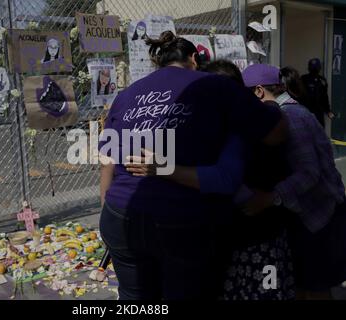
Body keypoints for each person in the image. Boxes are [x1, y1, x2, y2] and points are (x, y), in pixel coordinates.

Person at [98, 31, 287, 300]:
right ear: (195, 59)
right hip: (180, 220)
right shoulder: (216, 86)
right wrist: (272, 108)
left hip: (120, 215)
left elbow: (106, 159)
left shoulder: (127, 95)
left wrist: (109, 210)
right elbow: (276, 134)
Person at [242, 64, 346, 300]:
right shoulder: (291, 112)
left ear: (259, 91)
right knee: (302, 283)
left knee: (315, 287)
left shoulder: (290, 117)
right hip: (311, 215)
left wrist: (270, 198)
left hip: (319, 217)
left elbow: (309, 173)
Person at [301, 58, 334, 127]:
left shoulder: (322, 80)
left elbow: (324, 97)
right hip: (306, 111)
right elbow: (298, 95)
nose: (314, 70)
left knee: (319, 131)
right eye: (313, 67)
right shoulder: (303, 79)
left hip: (318, 112)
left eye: (315, 68)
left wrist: (328, 111)